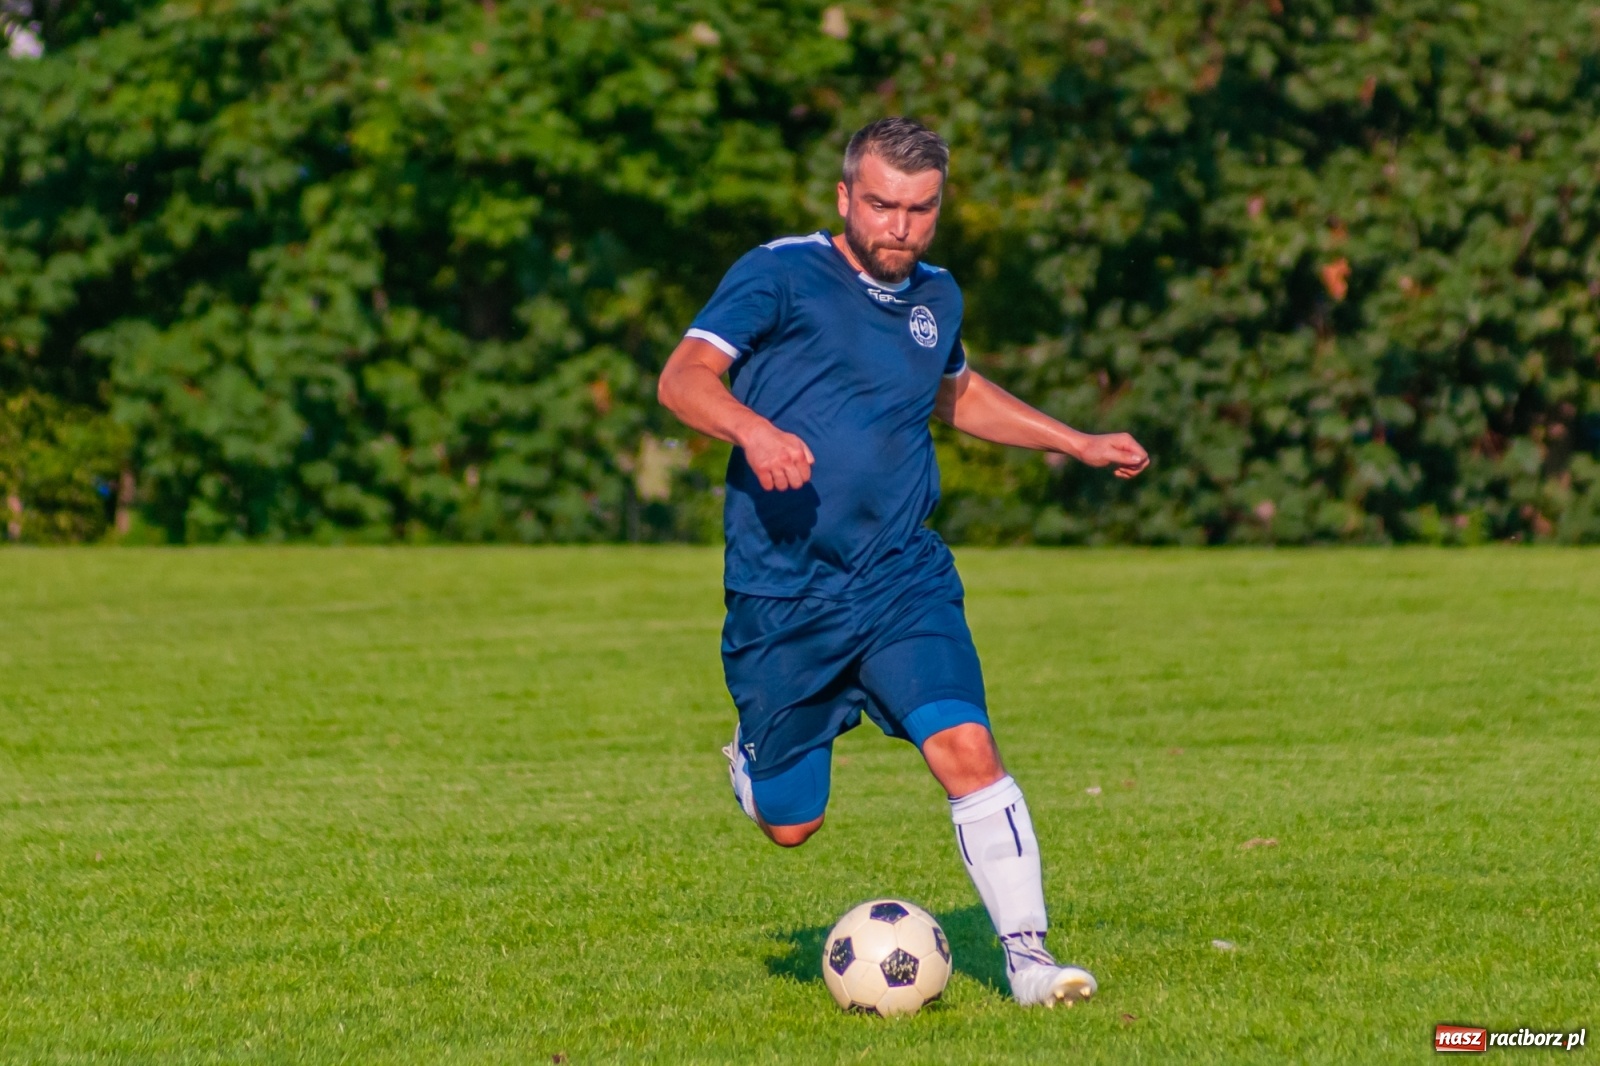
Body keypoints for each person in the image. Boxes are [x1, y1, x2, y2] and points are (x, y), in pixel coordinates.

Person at [656, 117, 1149, 1007]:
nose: (900, 228)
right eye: (881, 205)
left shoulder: (938, 296)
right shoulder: (778, 273)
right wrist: (754, 429)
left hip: (899, 577)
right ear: (846, 197)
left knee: (967, 747)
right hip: (784, 593)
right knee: (792, 823)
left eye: (920, 210)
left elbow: (955, 391)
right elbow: (683, 379)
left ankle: (1030, 962)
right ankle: (754, 764)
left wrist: (1073, 442)